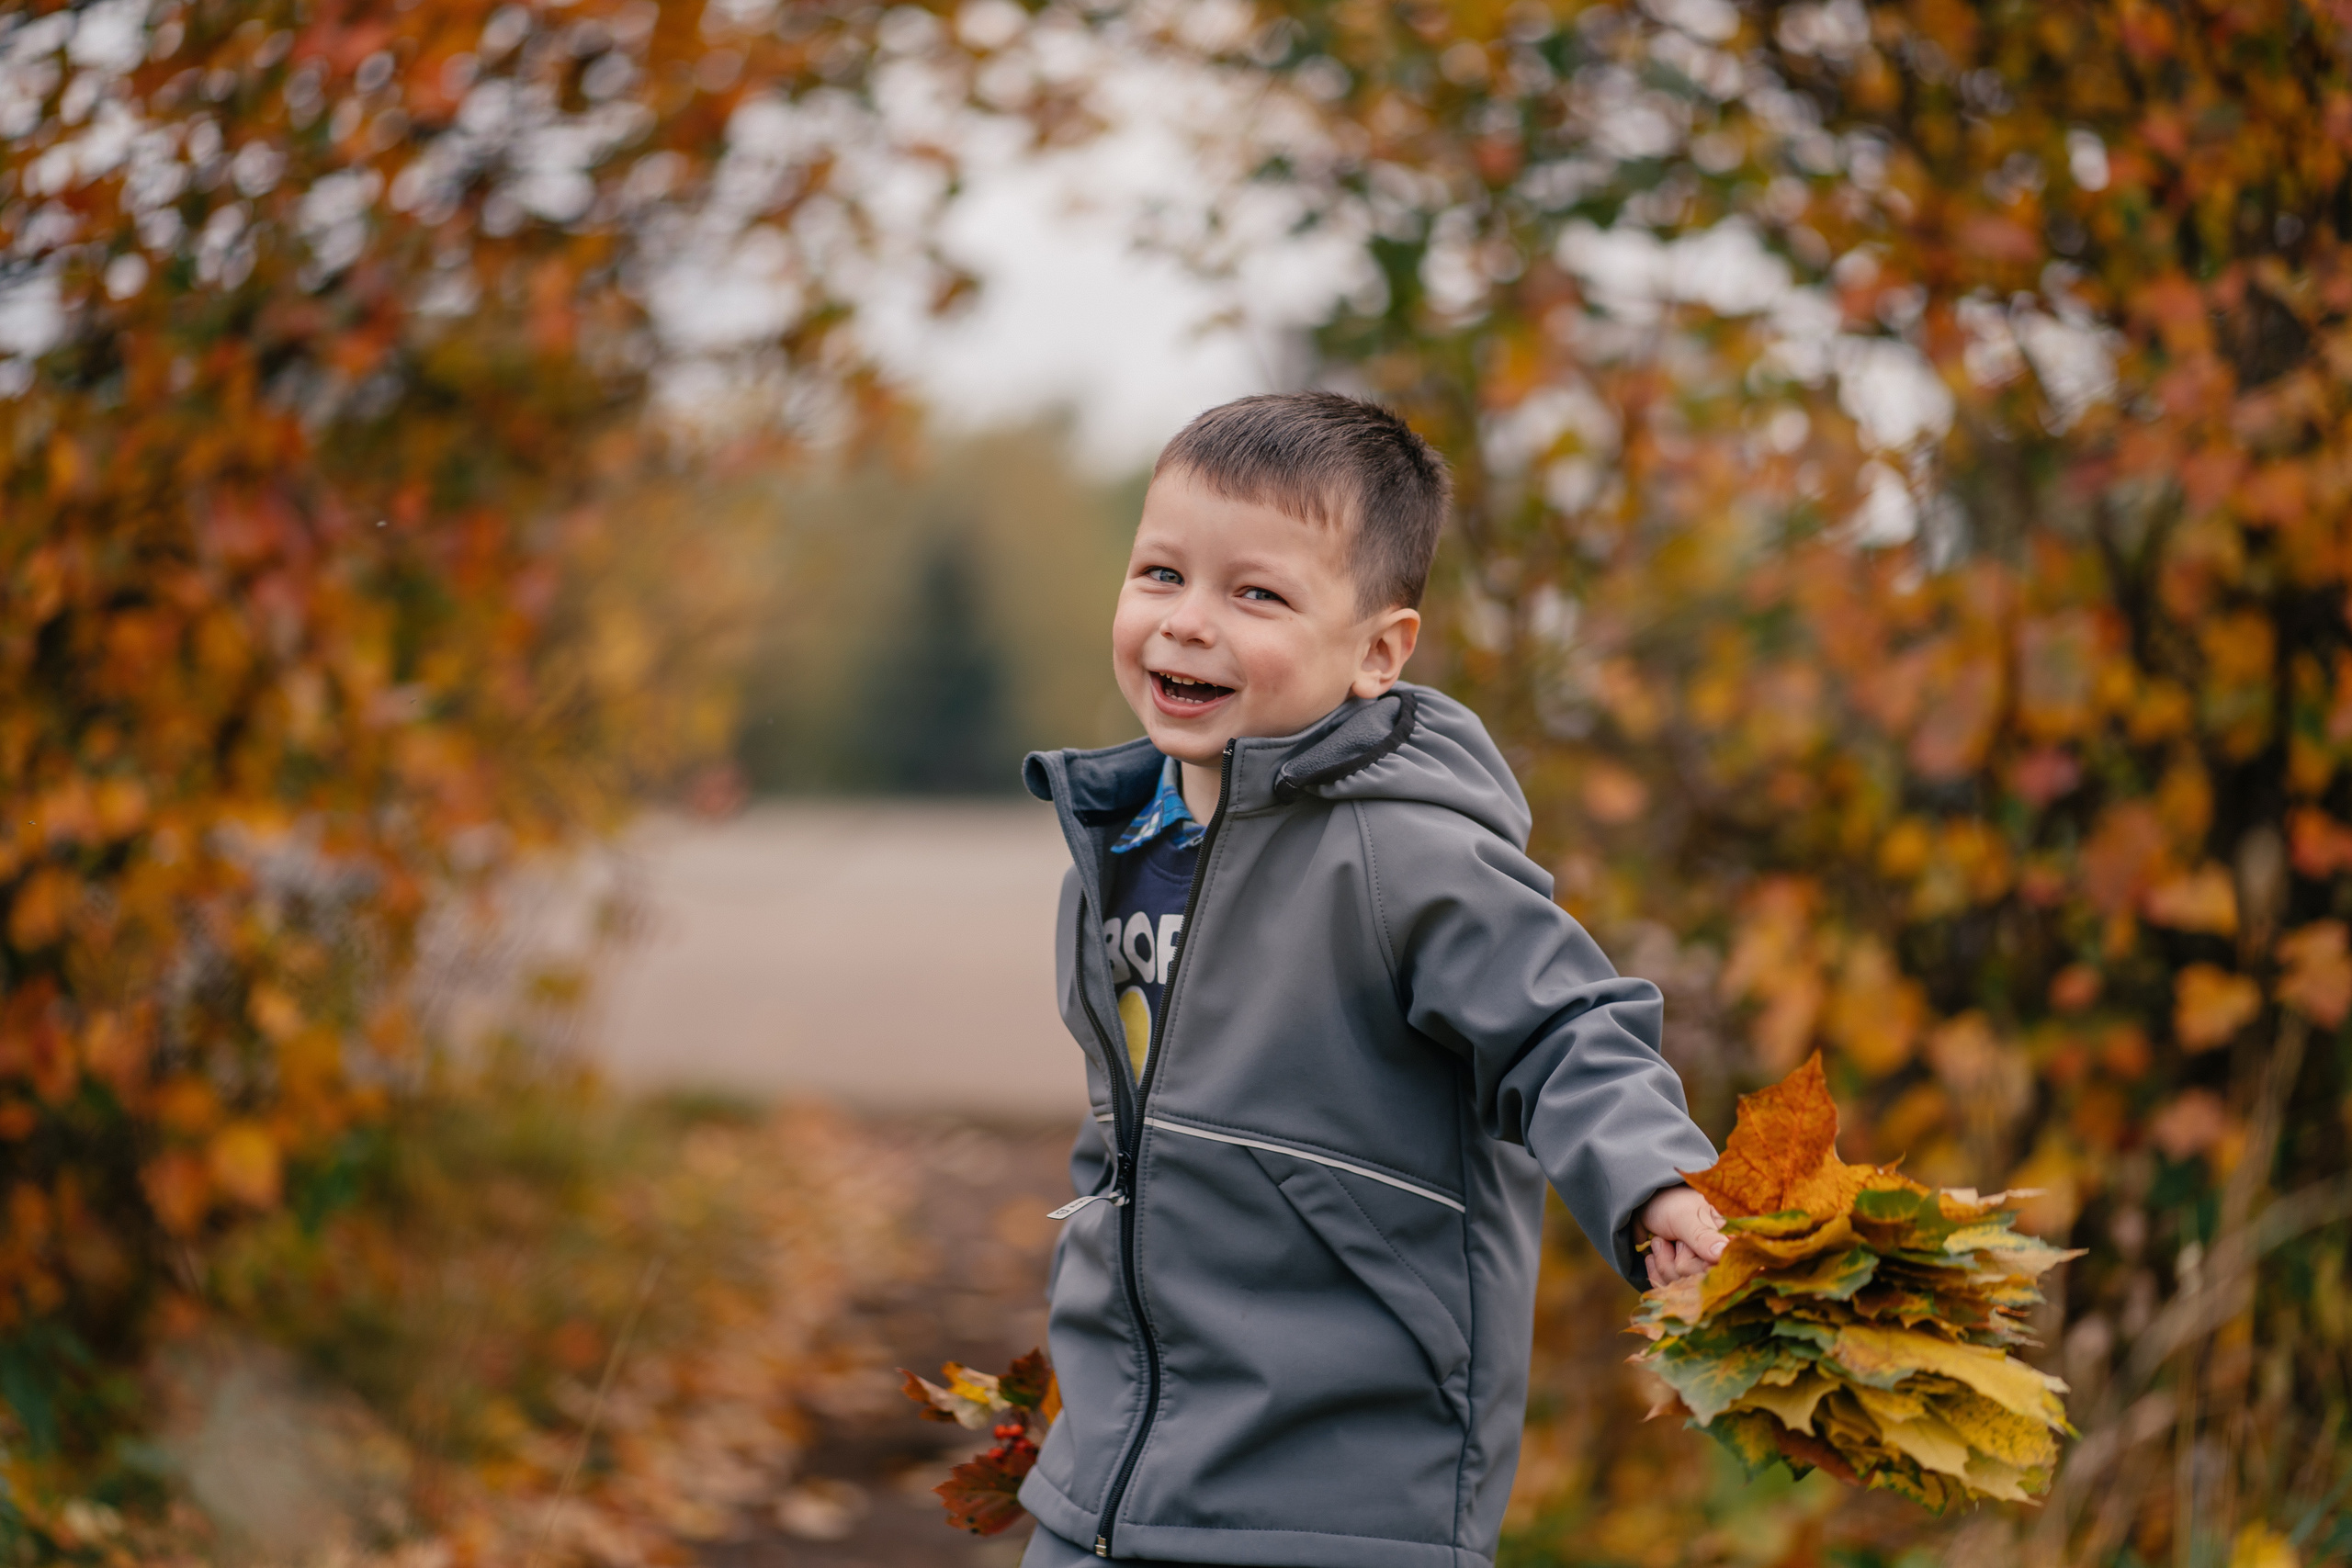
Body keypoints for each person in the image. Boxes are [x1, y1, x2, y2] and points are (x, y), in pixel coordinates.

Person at [1017, 392, 1727, 1568]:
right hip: (1106, 1490)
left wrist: (1655, 1184)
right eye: (1159, 574)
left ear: (1378, 653)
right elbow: (1128, 1145)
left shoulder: (1407, 852)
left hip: (1338, 1500)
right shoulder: (1123, 843)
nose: (1187, 624)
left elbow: (1564, 1033)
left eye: (1256, 594)